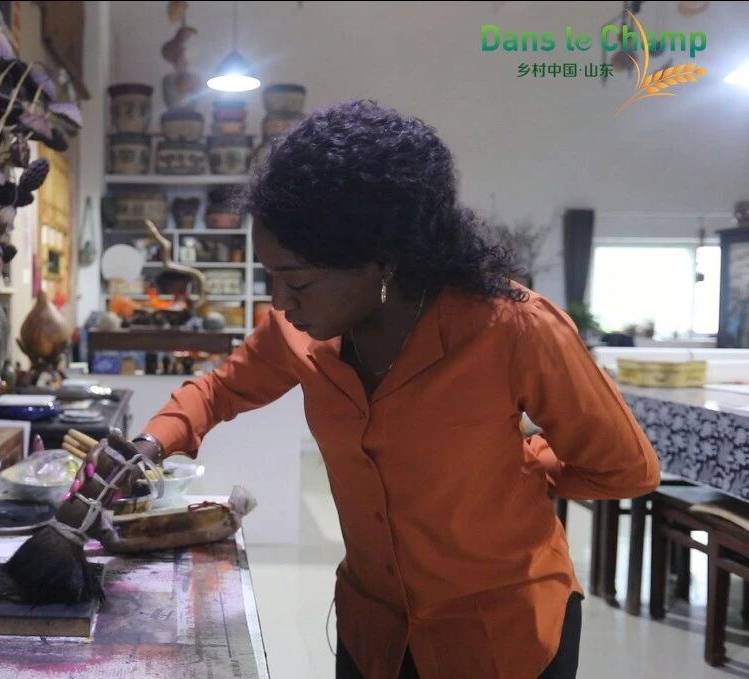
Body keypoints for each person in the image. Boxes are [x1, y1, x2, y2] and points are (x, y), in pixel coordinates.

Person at [126, 100, 660, 679]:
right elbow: (217, 391)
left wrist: (524, 464)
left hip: (499, 635)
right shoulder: (296, 333)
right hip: (374, 630)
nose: (279, 301)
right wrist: (148, 447)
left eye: (297, 280)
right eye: (269, 276)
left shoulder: (512, 329)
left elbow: (625, 469)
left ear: (383, 260)